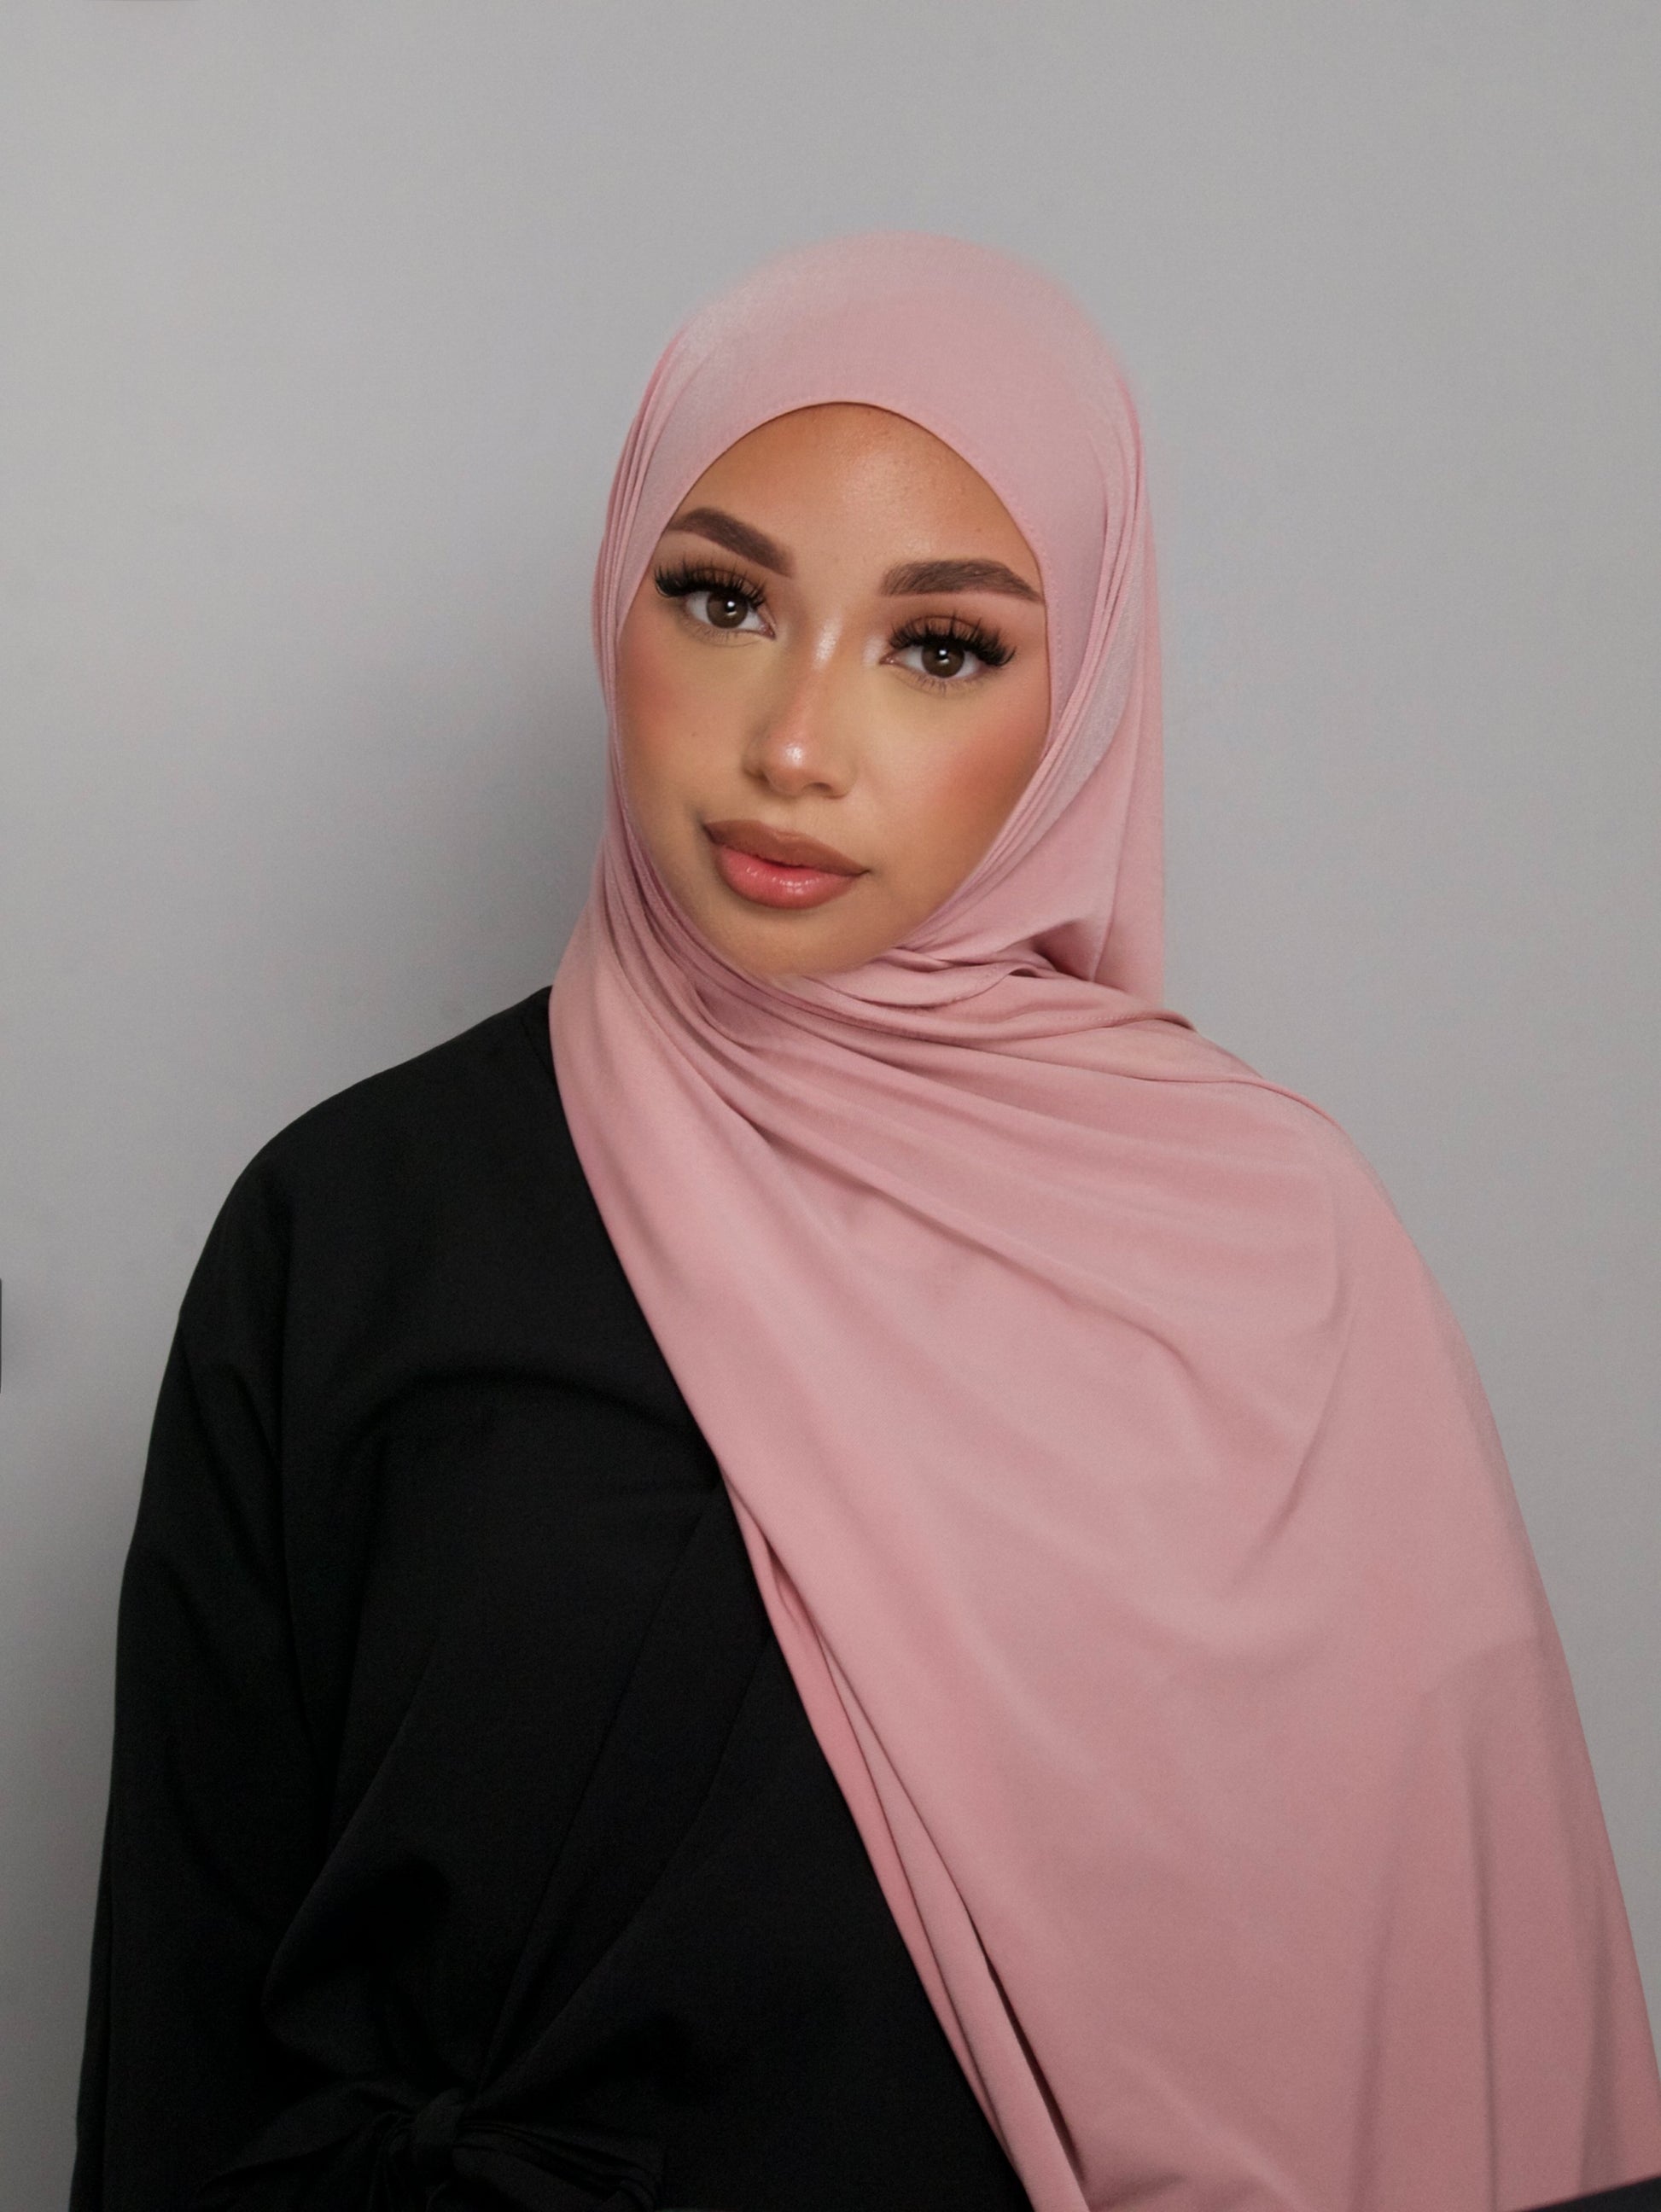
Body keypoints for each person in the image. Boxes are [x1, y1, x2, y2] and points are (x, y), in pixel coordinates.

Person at [71, 235, 1661, 2212]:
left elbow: (1444, 2015)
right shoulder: (354, 1228)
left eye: (941, 647)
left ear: (1083, 700)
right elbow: (185, 2039)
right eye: (723, 600)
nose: (796, 745)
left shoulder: (1274, 1262)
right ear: (618, 595)